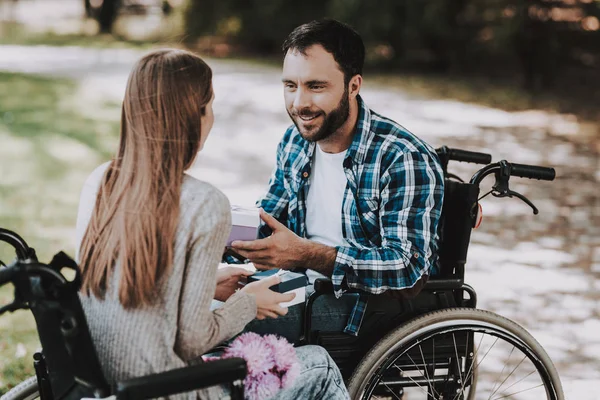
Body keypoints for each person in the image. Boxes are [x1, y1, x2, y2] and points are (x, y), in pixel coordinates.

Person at [75, 49, 349, 400]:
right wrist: (248, 302)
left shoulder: (100, 181)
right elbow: (192, 338)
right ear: (193, 116)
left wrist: (204, 287)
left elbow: (129, 290)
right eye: (210, 106)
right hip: (170, 390)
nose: (212, 118)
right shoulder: (204, 203)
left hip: (105, 383)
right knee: (319, 363)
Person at [230, 20, 445, 343]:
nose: (299, 103)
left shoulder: (401, 157)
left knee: (224, 322)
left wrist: (307, 255)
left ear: (353, 86)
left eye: (316, 87)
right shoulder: (295, 141)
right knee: (193, 304)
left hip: (363, 307)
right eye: (290, 85)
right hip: (298, 285)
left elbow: (408, 268)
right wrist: (218, 245)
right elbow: (268, 218)